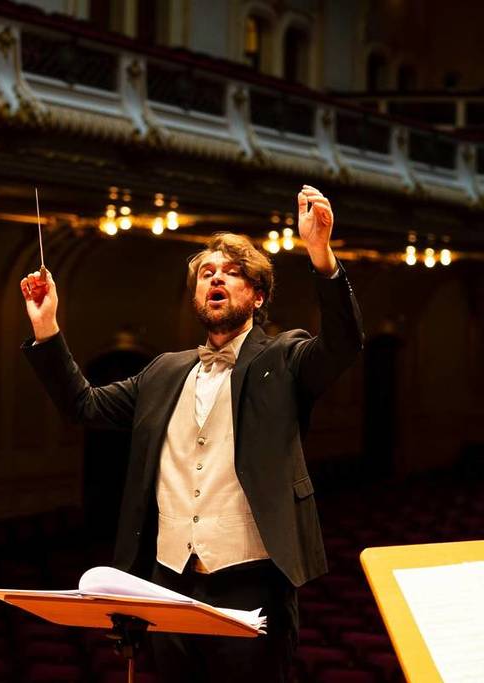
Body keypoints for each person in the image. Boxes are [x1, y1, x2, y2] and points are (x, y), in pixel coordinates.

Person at [20, 186, 364, 681]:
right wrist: (48, 328)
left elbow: (344, 343)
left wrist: (320, 254)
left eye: (232, 272)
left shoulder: (284, 359)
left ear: (258, 295)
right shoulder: (163, 371)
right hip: (166, 580)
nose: (216, 278)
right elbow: (82, 405)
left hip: (252, 581)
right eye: (207, 273)